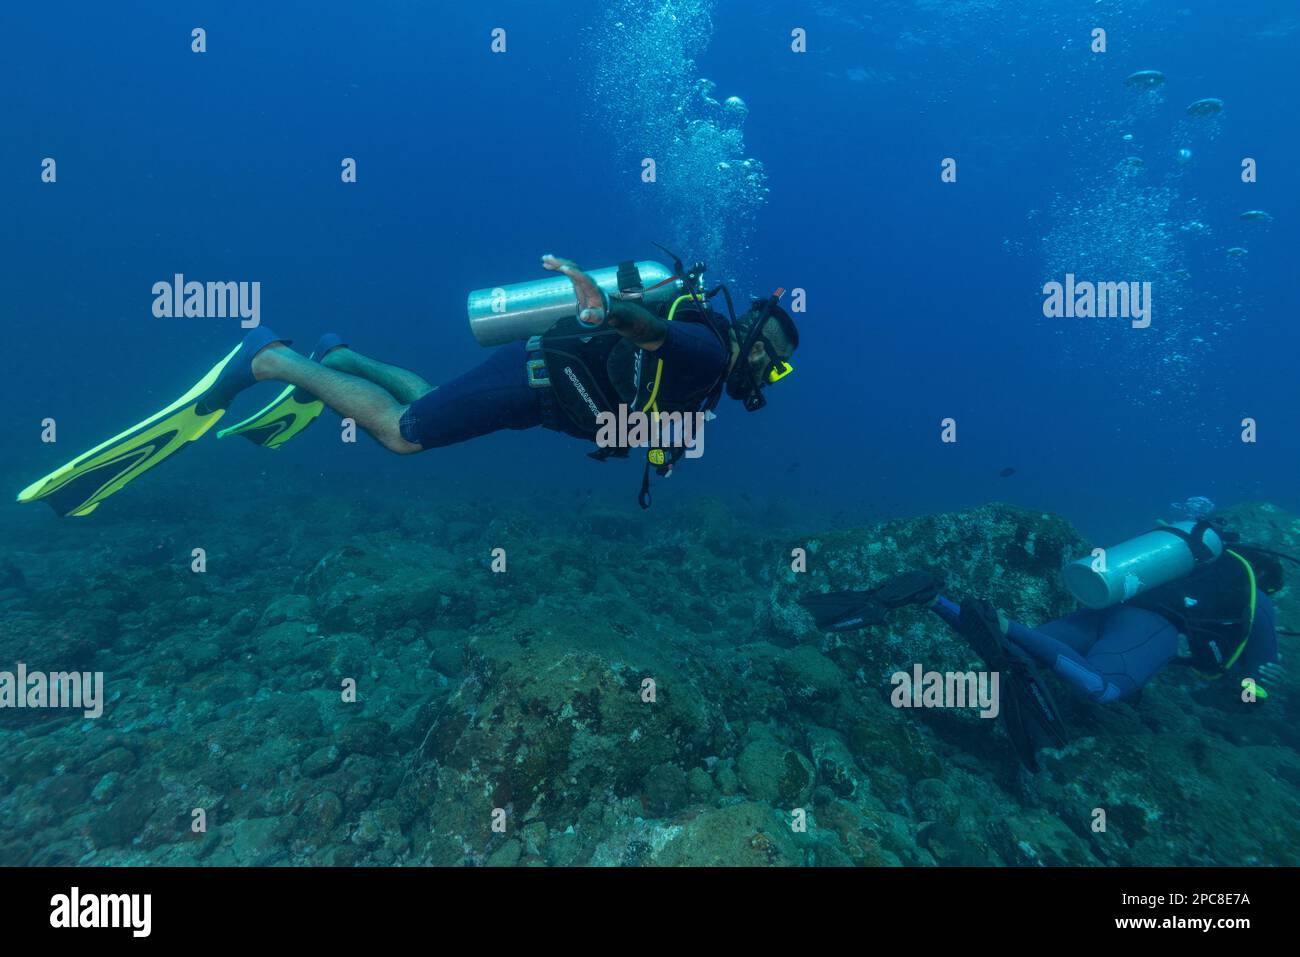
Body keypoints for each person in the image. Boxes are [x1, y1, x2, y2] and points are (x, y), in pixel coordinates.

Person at [18, 254, 799, 516]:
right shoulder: (704, 345)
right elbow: (651, 333)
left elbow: (647, 418)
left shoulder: (704, 376)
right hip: (533, 385)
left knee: (425, 397)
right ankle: (267, 360)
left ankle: (340, 354)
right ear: (756, 341)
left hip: (531, 383)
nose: (770, 375)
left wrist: (661, 446)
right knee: (403, 433)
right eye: (775, 359)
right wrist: (612, 309)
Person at [800, 524, 1290, 771]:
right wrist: (1255, 691)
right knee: (1102, 687)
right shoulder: (1258, 597)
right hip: (1151, 626)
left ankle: (933, 597)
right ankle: (1003, 621)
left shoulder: (1187, 560)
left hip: (1106, 608)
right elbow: (1251, 680)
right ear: (1268, 577)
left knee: (1035, 653)